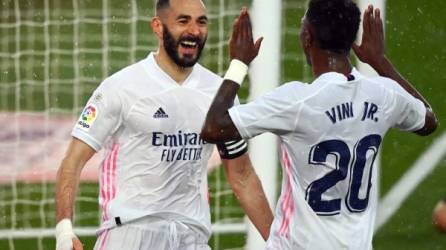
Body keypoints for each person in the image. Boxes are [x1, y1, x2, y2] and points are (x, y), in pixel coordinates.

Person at [201, 1, 438, 249]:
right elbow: (428, 121)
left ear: (306, 37)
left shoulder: (298, 101)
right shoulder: (384, 94)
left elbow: (214, 127)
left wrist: (239, 63)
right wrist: (379, 61)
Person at [54, 0, 273, 249]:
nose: (194, 30)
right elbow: (72, 161)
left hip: (191, 237)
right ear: (158, 27)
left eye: (201, 22)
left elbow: (242, 176)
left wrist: (280, 242)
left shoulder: (219, 93)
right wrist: (64, 230)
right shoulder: (121, 87)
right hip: (130, 233)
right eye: (183, 21)